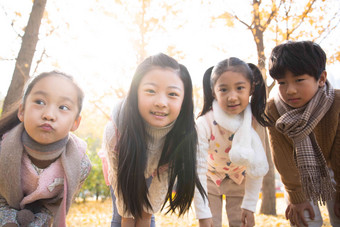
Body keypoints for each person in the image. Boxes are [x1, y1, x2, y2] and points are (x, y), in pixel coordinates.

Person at [101, 53, 207, 227]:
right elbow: (124, 199)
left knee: (145, 215)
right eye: (150, 91)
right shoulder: (115, 132)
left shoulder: (182, 136)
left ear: (184, 100)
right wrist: (128, 218)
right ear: (136, 93)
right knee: (122, 216)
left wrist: (145, 214)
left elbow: (151, 202)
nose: (161, 102)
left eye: (172, 94)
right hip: (126, 164)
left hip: (157, 169)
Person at [0, 71, 92, 227]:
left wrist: (40, 221)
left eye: (63, 107)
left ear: (75, 123)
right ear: (22, 111)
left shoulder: (80, 165)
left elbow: (54, 206)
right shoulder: (3, 149)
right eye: (40, 102)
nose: (49, 115)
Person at [266, 40, 340, 227]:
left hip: (334, 166)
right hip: (297, 174)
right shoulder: (273, 109)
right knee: (304, 219)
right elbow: (282, 156)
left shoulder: (336, 103)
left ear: (321, 78)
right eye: (282, 82)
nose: (290, 90)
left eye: (299, 80)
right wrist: (296, 197)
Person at [195, 57, 272, 227]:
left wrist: (250, 206)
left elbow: (256, 167)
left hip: (240, 178)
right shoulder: (204, 123)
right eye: (223, 89)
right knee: (210, 223)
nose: (232, 97)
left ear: (251, 88)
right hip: (209, 178)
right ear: (214, 91)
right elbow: (197, 168)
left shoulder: (255, 123)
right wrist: (202, 214)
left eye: (239, 88)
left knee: (241, 223)